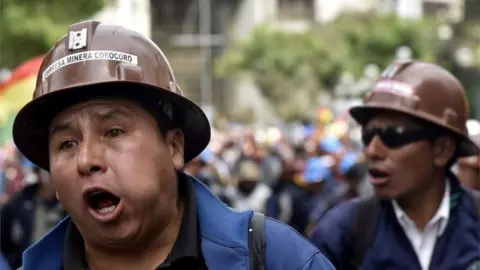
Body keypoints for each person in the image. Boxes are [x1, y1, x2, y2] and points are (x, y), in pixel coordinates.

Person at [12, 20, 334, 270]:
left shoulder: (277, 259)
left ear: (175, 147)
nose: (87, 160)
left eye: (113, 132)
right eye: (66, 143)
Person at [310, 60, 480, 270]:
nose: (373, 150)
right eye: (368, 135)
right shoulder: (341, 233)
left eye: (393, 135)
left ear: (442, 150)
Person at [1, 165, 65, 269]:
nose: (51, 175)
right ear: (38, 172)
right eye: (47, 170)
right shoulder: (19, 202)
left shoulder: (69, 204)